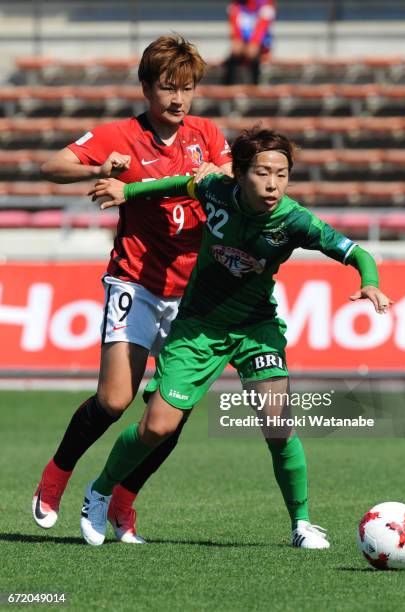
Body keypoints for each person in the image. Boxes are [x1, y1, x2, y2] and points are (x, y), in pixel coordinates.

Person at [79, 127, 393, 547]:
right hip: (199, 326)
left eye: (282, 174)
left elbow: (356, 253)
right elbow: (178, 183)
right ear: (240, 173)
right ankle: (99, 491)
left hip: (256, 329)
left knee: (278, 425)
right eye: (263, 173)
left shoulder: (295, 220)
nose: (273, 184)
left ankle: (301, 524)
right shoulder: (215, 189)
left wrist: (369, 281)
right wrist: (129, 191)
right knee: (158, 428)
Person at [32, 34, 232, 544]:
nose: (178, 99)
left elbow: (235, 181)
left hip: (192, 294)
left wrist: (219, 175)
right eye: (168, 87)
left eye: (186, 89)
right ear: (146, 87)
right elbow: (51, 166)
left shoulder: (206, 134)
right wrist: (99, 169)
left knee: (170, 412)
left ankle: (125, 500)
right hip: (136, 281)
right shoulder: (120, 135)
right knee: (117, 399)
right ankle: (56, 476)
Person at [223, 0, 276, 85]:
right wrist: (239, 41)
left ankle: (255, 86)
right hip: (243, 44)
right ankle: (228, 87)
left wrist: (254, 42)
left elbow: (261, 29)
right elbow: (235, 30)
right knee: (236, 50)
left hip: (261, 45)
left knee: (252, 51)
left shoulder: (265, 5)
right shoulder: (236, 5)